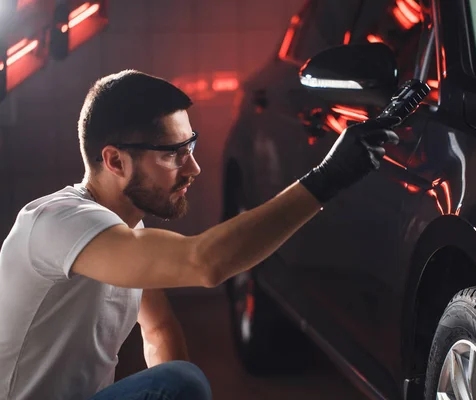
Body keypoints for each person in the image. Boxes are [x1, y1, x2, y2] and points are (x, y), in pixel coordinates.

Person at [0, 70, 399, 400]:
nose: (193, 169)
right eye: (174, 153)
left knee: (179, 377)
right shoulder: (56, 222)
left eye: (190, 146)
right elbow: (203, 263)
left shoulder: (124, 232)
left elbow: (159, 330)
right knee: (182, 384)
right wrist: (327, 179)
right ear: (115, 160)